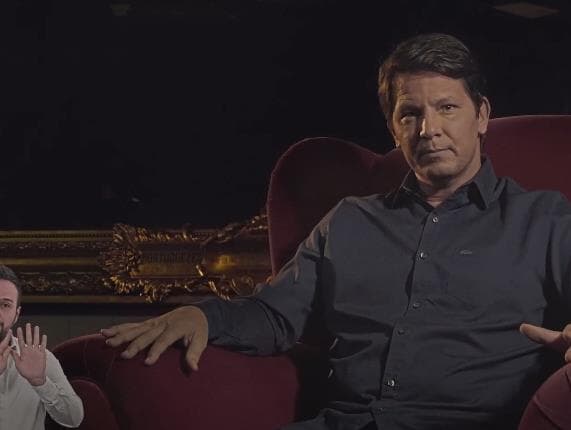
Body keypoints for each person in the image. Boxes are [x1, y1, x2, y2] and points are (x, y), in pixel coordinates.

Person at [102, 33, 571, 429]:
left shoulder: (545, 220)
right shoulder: (350, 220)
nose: (429, 129)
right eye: (410, 113)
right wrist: (202, 317)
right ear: (393, 128)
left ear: (481, 115)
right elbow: (275, 316)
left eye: (447, 107)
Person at [0, 265, 84, 429]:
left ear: (16, 314)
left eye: (5, 305)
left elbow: (73, 418)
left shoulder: (40, 359)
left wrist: (40, 382)